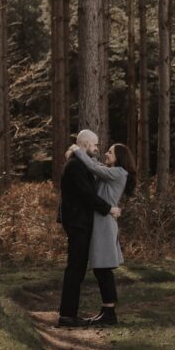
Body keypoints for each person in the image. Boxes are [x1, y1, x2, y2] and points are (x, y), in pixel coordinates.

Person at [67, 141, 136, 326]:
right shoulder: (111, 172)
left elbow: (93, 167)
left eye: (110, 152)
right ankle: (106, 310)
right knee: (100, 268)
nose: (106, 153)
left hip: (105, 224)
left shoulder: (119, 172)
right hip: (101, 222)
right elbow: (96, 165)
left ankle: (109, 312)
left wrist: (77, 150)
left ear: (119, 157)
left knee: (103, 269)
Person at [57, 130, 121, 328]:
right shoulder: (76, 165)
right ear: (85, 144)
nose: (96, 148)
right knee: (75, 268)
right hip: (77, 223)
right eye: (94, 145)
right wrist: (108, 208)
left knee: (77, 268)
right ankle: (67, 316)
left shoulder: (79, 163)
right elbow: (87, 195)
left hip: (79, 222)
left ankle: (69, 314)